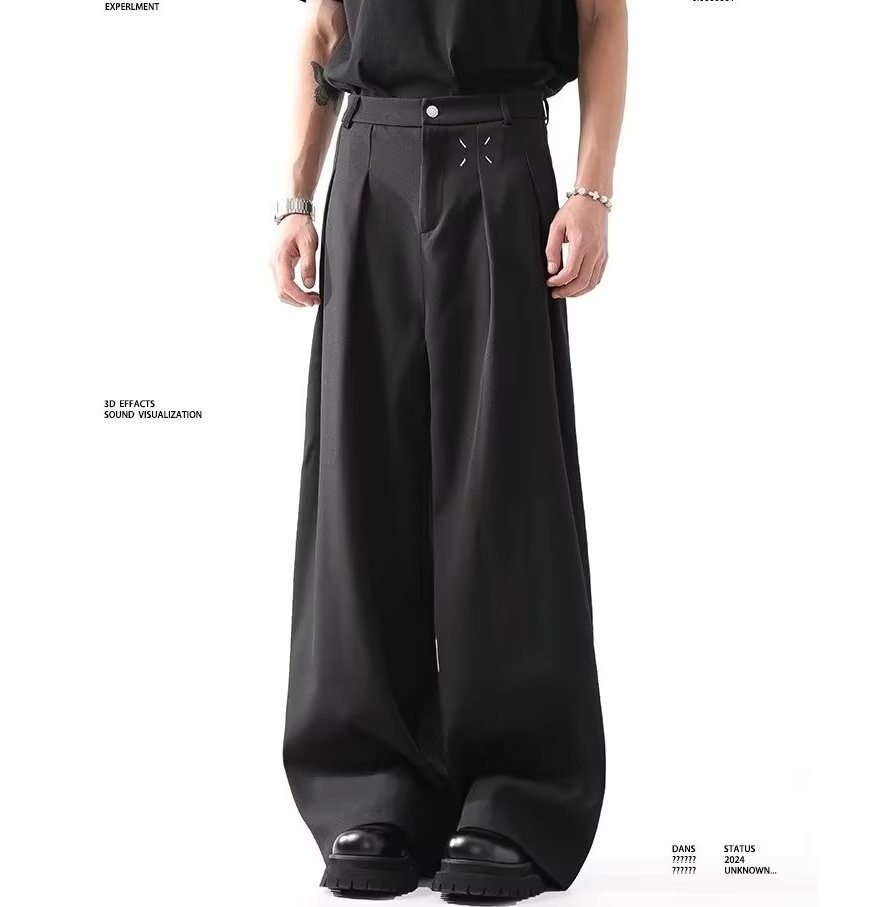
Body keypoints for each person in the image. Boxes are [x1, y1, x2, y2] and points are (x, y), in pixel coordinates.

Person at [273, 0, 627, 899]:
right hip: (367, 165)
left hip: (498, 160)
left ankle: (516, 791)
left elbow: (600, 16)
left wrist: (591, 192)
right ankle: (374, 784)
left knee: (503, 482)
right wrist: (295, 198)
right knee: (361, 478)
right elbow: (325, 30)